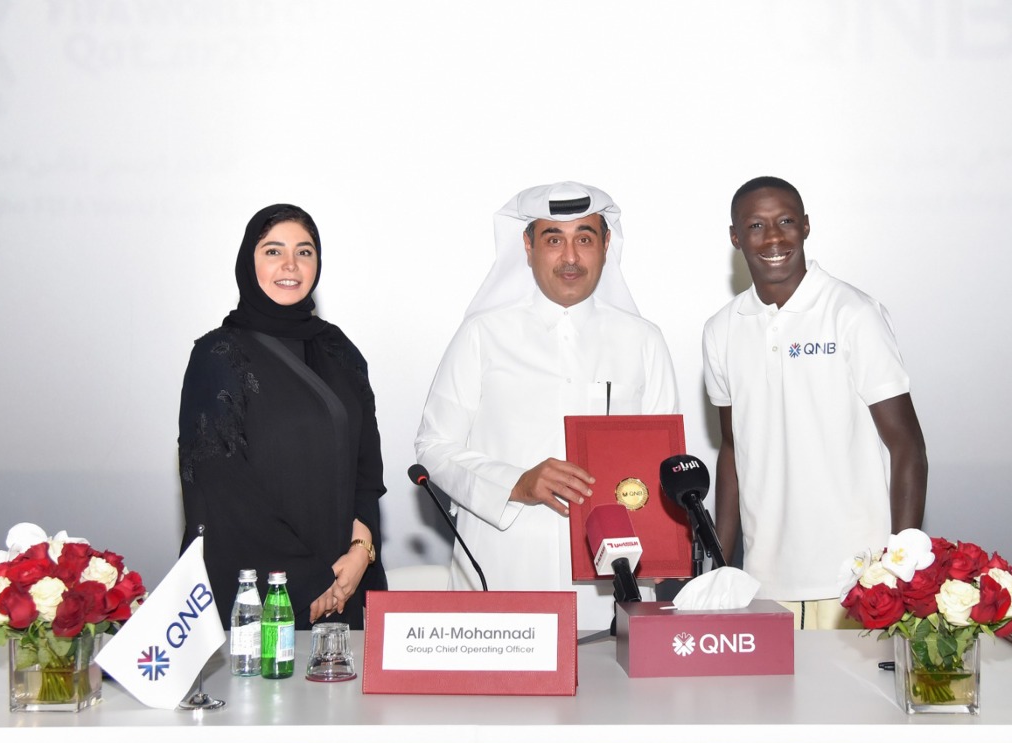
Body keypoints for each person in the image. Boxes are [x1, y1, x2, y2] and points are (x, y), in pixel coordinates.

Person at [415, 182, 679, 629]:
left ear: (606, 244)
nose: (570, 257)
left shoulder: (644, 341)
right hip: (501, 573)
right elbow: (432, 448)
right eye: (554, 240)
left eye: (585, 239)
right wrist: (516, 483)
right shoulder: (483, 335)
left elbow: (663, 466)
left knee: (613, 699)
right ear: (527, 245)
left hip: (611, 587)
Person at [703, 177, 928, 629]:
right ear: (735, 237)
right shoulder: (721, 329)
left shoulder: (853, 313)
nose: (773, 238)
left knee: (855, 703)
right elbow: (731, 451)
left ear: (805, 227)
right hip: (763, 585)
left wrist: (899, 570)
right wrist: (720, 569)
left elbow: (907, 447)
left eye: (785, 221)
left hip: (858, 582)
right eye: (756, 226)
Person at [178, 204, 386, 629]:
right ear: (248, 262)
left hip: (350, 585)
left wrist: (359, 555)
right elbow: (222, 492)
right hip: (262, 595)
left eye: (304, 252)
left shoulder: (338, 351)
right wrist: (311, 583)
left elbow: (366, 470)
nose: (291, 265)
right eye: (273, 251)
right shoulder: (219, 355)